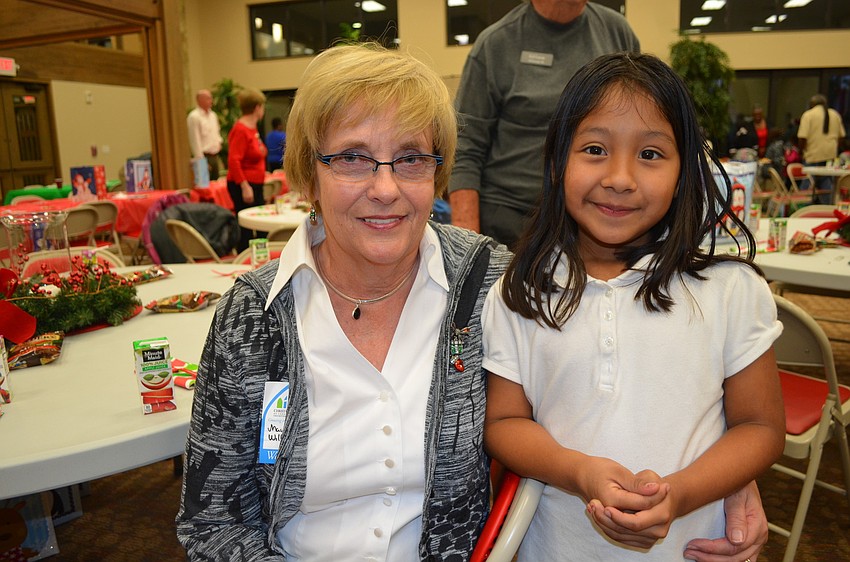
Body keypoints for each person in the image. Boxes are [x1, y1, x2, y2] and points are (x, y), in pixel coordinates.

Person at [176, 44, 770, 562]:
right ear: (308, 171)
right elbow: (211, 518)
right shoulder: (254, 316)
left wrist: (726, 478)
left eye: (410, 157)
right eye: (353, 156)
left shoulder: (496, 284)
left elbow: (635, 374)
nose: (385, 187)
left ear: (438, 171)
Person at [482, 53, 786, 561]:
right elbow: (504, 423)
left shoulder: (727, 289)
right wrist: (578, 470)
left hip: (693, 546)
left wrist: (680, 494)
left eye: (650, 154)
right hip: (557, 549)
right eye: (595, 149)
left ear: (684, 170)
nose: (620, 178)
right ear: (557, 163)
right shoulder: (521, 292)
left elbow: (760, 427)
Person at [448, 0, 639, 248]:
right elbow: (465, 147)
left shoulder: (617, 33)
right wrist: (468, 244)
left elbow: (636, 126)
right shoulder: (495, 44)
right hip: (511, 219)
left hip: (595, 217)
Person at [227, 88, 268, 251]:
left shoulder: (252, 128)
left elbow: (257, 151)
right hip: (244, 185)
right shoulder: (241, 129)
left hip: (254, 183)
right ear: (257, 108)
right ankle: (244, 261)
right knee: (247, 228)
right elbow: (233, 160)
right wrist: (244, 186)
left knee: (260, 227)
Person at [797, 94, 847, 203]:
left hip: (812, 156)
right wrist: (834, 146)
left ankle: (801, 210)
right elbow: (842, 136)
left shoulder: (809, 115)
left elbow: (802, 138)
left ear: (812, 104)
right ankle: (826, 211)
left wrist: (801, 151)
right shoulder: (835, 114)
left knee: (807, 188)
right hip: (830, 157)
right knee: (827, 188)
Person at [187, 89, 223, 181]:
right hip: (203, 156)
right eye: (208, 98)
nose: (211, 101)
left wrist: (219, 143)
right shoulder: (194, 117)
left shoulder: (213, 115)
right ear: (200, 100)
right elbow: (195, 140)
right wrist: (201, 162)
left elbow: (217, 132)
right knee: (204, 187)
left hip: (214, 156)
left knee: (215, 185)